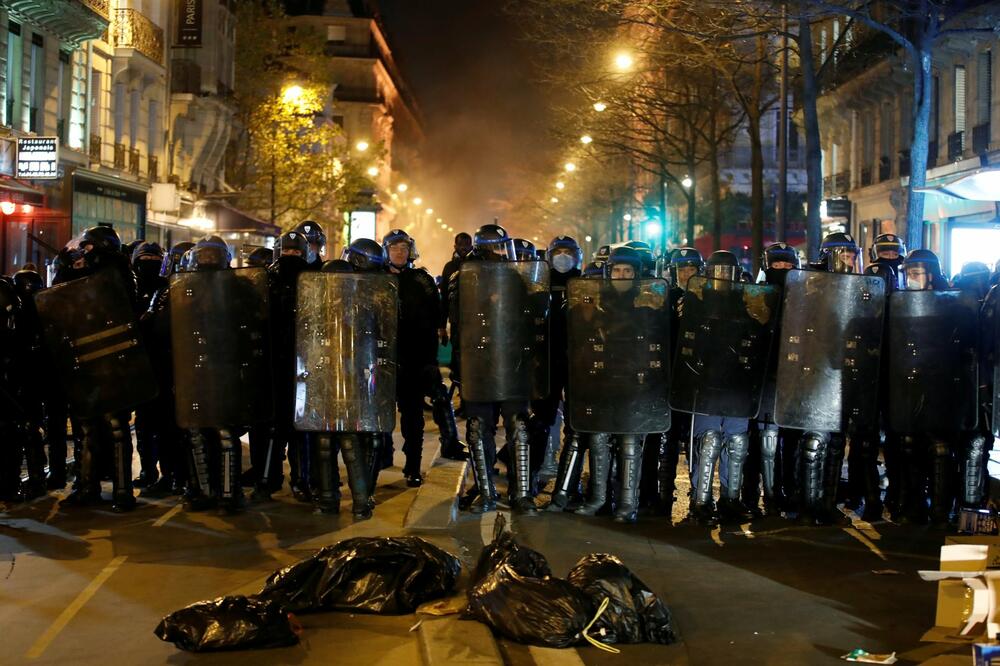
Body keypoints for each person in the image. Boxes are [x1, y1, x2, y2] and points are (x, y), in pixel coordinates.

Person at [383, 229, 450, 486]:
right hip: (383, 358)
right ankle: (380, 457)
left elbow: (435, 318)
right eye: (394, 248)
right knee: (379, 415)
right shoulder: (376, 278)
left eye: (403, 248)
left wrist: (430, 361)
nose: (399, 253)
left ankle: (413, 466)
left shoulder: (422, 279)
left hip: (414, 358)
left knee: (412, 416)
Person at [531, 236, 581, 495]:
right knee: (542, 419)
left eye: (568, 252)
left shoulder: (584, 283)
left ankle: (570, 481)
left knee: (577, 423)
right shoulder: (540, 281)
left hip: (577, 360)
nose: (563, 257)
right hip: (546, 360)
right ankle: (533, 472)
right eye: (558, 252)